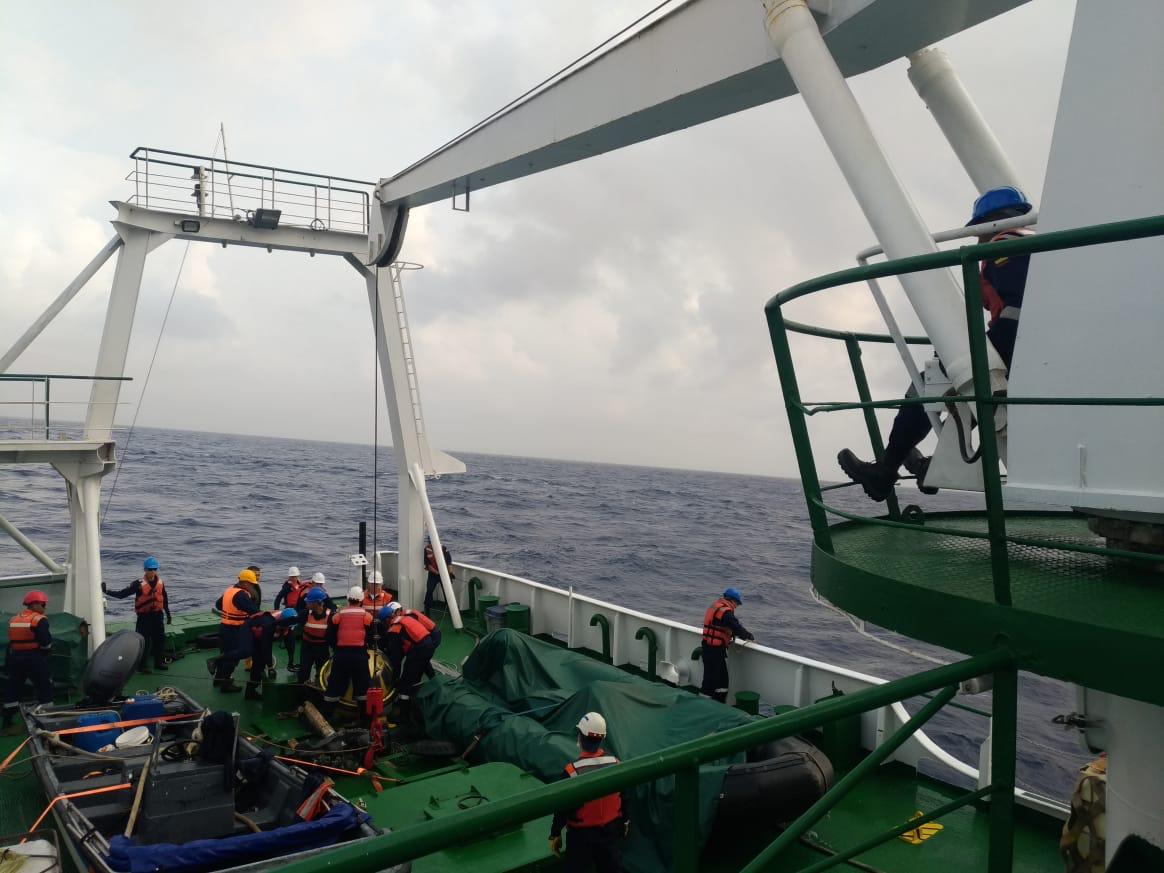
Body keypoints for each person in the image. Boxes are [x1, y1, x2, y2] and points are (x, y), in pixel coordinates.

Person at [838, 186, 1036, 502]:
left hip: (1011, 342)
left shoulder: (1005, 246)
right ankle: (930, 463)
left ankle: (885, 470)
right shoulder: (1036, 244)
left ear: (993, 222)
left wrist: (968, 348)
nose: (979, 240)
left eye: (980, 232)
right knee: (956, 386)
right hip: (1032, 348)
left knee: (929, 384)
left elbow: (1018, 304)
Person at [549, 712, 628, 873]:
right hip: (610, 833)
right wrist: (625, 820)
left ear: (580, 737)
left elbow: (563, 807)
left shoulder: (572, 771)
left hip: (581, 837)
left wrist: (555, 833)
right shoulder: (616, 764)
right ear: (602, 738)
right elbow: (625, 796)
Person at [103, 556, 172, 673]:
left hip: (157, 616)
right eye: (150, 569)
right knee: (144, 642)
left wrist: (168, 614)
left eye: (155, 569)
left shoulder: (160, 583)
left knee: (159, 640)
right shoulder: (138, 584)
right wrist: (106, 591)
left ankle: (158, 662)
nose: (152, 572)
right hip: (144, 618)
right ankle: (142, 666)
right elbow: (122, 594)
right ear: (145, 570)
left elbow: (164, 599)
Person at [2, 591, 54, 734]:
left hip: (15, 658)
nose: (45, 607)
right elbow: (46, 642)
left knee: (13, 688)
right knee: (45, 684)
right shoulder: (39, 620)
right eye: (43, 604)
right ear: (35, 604)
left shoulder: (14, 619)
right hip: (34, 658)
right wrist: (45, 653)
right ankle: (47, 717)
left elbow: (11, 642)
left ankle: (7, 722)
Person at [322, 587, 372, 719]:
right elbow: (371, 636)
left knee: (334, 687)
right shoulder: (367, 616)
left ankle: (327, 717)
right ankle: (365, 721)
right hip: (359, 656)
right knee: (363, 689)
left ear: (348, 599)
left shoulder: (338, 615)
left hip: (341, 655)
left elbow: (329, 636)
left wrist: (336, 648)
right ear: (361, 600)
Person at [383, 601, 440, 714]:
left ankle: (403, 712)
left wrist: (395, 677)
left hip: (427, 642)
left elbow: (397, 658)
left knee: (406, 680)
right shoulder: (407, 618)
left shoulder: (395, 628)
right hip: (426, 640)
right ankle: (437, 685)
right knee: (422, 665)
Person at [700, 588, 754, 704]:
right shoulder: (726, 613)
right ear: (732, 600)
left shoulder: (716, 607)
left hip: (711, 648)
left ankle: (718, 704)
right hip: (713, 650)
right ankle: (702, 706)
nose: (736, 606)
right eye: (737, 603)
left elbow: (724, 626)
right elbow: (736, 627)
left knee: (722, 681)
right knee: (711, 680)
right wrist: (748, 636)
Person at [213, 569, 260, 693]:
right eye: (251, 584)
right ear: (244, 583)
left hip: (224, 627)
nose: (252, 586)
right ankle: (226, 684)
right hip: (235, 629)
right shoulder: (241, 595)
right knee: (233, 657)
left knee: (225, 652)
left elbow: (218, 605)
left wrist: (231, 610)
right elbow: (254, 611)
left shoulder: (230, 590)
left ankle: (218, 679)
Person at [245, 608, 299, 700]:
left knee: (262, 659)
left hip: (265, 633)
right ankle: (250, 692)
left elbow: (290, 640)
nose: (289, 628)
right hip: (252, 634)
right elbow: (266, 647)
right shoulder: (268, 625)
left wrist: (291, 660)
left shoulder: (288, 622)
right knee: (259, 662)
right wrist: (270, 667)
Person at [298, 587, 333, 686]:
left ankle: (319, 692)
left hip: (322, 648)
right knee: (304, 672)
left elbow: (333, 636)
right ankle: (302, 695)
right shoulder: (305, 614)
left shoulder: (330, 616)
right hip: (307, 647)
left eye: (309, 602)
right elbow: (294, 620)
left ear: (316, 603)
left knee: (322, 673)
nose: (306, 604)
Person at [274, 566, 305, 672]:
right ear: (289, 576)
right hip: (289, 612)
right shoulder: (287, 587)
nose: (294, 578)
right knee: (289, 633)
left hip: (297, 610)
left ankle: (292, 660)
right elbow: (278, 598)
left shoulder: (300, 585)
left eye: (295, 576)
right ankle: (290, 661)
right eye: (292, 576)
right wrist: (276, 610)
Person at [423, 536, 454, 616]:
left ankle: (451, 612)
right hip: (433, 575)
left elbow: (449, 562)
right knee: (429, 591)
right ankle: (427, 611)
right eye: (430, 543)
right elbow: (428, 565)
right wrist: (437, 573)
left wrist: (450, 573)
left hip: (444, 574)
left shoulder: (444, 549)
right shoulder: (426, 550)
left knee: (447, 592)